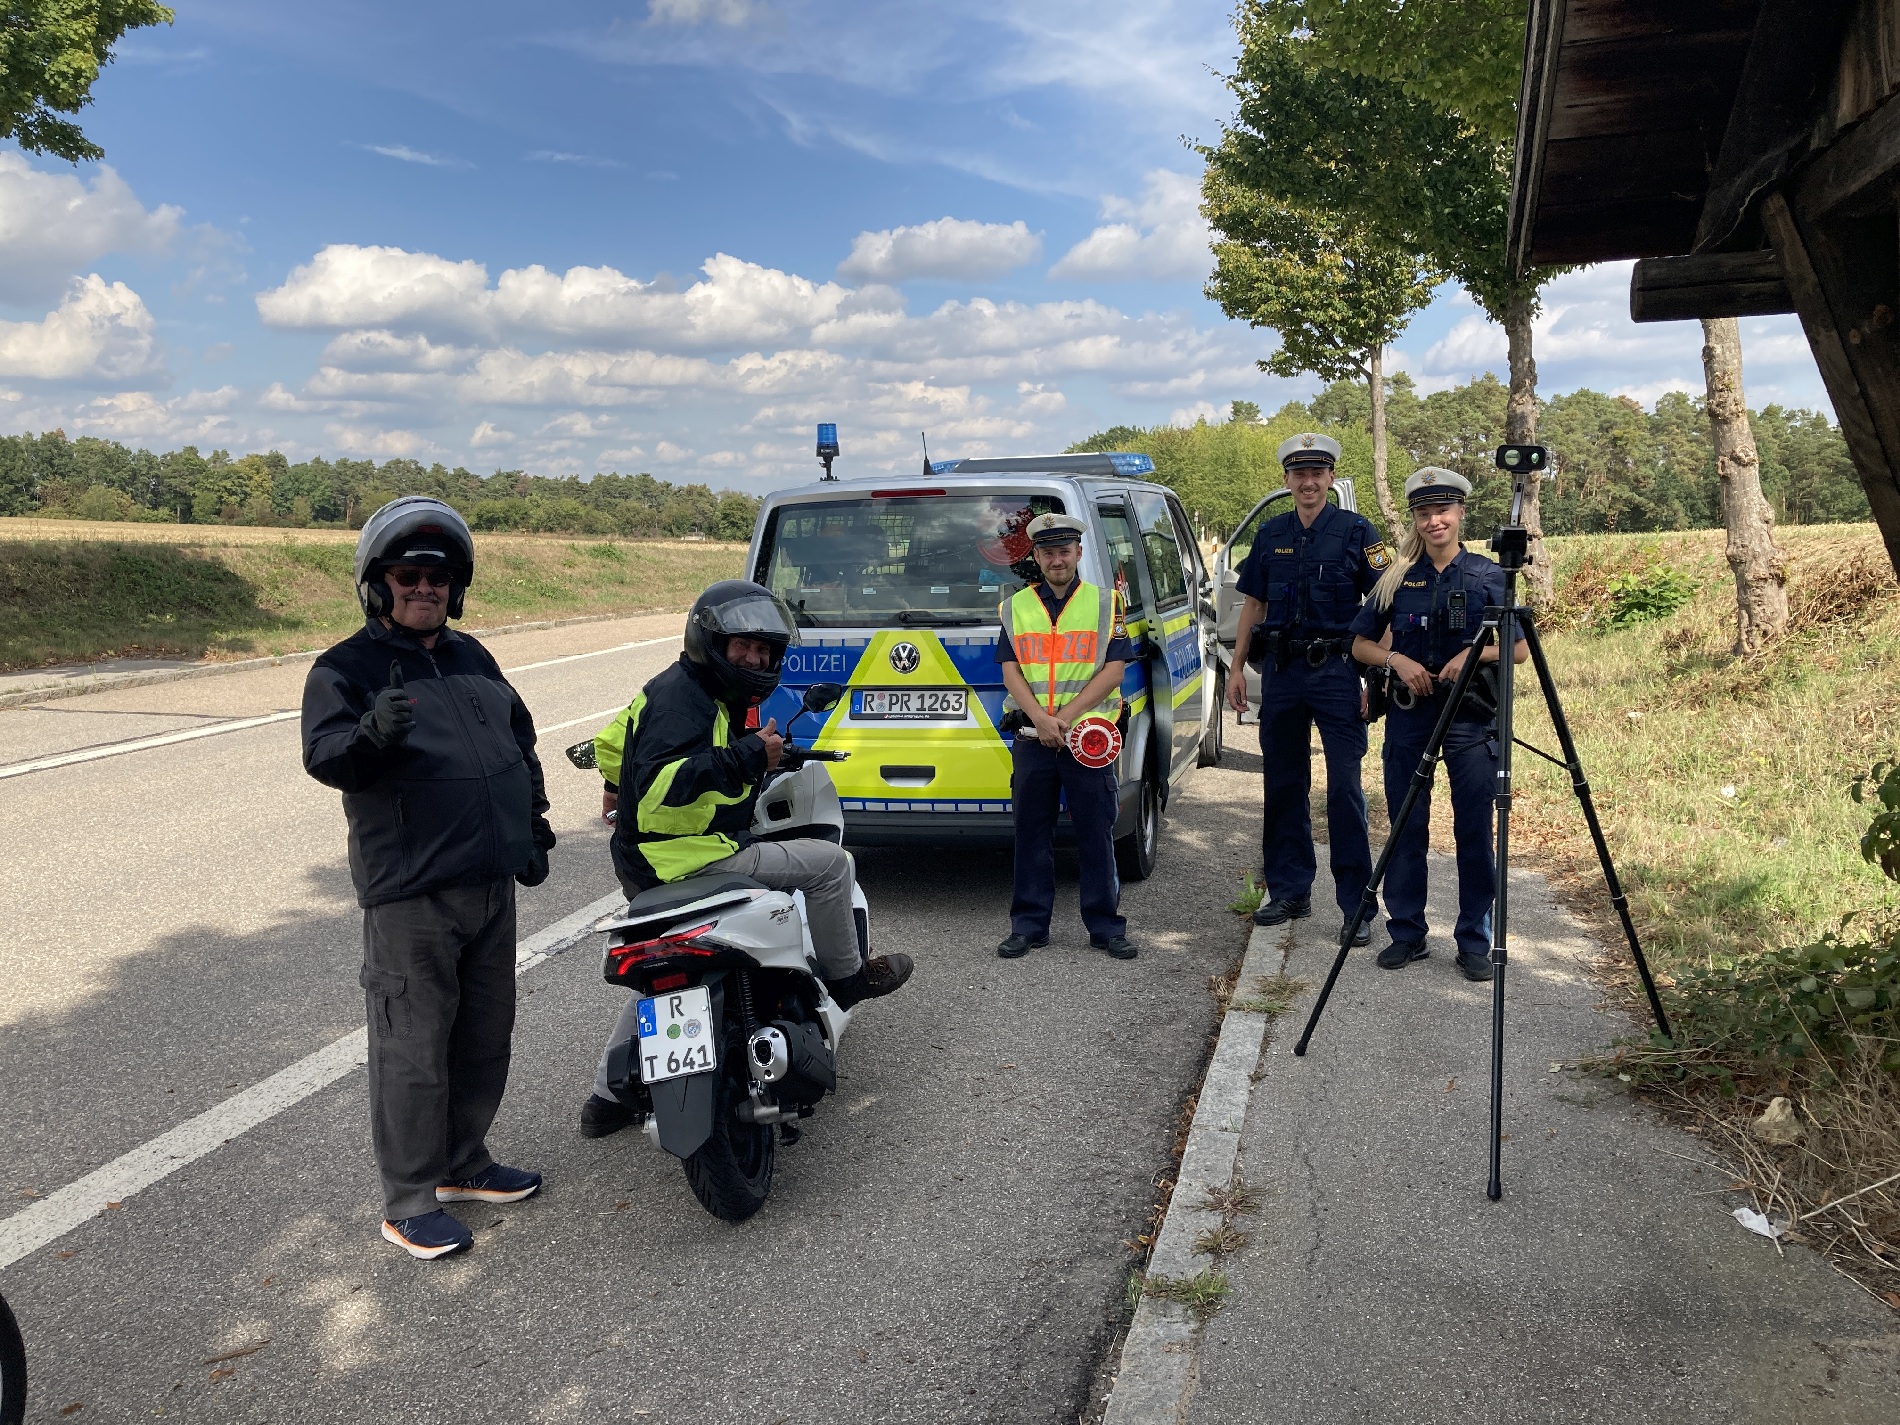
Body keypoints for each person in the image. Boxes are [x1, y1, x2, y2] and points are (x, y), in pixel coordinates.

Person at [302, 497, 556, 1260]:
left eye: (440, 579)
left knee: (484, 1032)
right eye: (409, 575)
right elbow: (327, 756)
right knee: (413, 1047)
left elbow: (520, 739)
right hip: (412, 890)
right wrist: (370, 736)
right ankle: (409, 1198)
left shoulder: (474, 655)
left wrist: (534, 820)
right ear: (378, 584)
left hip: (488, 881)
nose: (426, 588)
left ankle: (464, 1162)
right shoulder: (345, 668)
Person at [580, 580, 914, 1138]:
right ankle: (849, 980)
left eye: (765, 649)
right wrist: (749, 755)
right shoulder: (685, 700)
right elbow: (664, 784)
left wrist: (616, 786)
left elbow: (615, 745)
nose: (755, 658)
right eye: (743, 646)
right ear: (709, 641)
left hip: (644, 864)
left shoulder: (675, 689)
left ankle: (604, 1098)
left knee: (664, 966)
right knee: (832, 866)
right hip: (694, 856)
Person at [1349, 467, 1529, 981]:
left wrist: (1473, 653)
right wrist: (1395, 662)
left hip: (1470, 718)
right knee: (1407, 825)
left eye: (1442, 510)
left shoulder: (1490, 576)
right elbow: (1358, 642)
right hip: (1410, 715)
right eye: (1424, 513)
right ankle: (1406, 933)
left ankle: (1475, 938)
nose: (1434, 521)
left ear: (1460, 514)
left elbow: (1517, 648)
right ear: (1415, 518)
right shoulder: (1396, 577)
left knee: (1475, 829)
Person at [1228, 433, 1389, 941]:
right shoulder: (1270, 533)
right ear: (1287, 480)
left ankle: (1356, 908)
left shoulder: (1360, 532)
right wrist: (1235, 669)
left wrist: (1374, 674)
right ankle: (1290, 891)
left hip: (1340, 673)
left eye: (1318, 473)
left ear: (1331, 478)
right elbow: (1253, 605)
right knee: (1282, 785)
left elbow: (1386, 606)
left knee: (1344, 789)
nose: (1309, 482)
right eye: (1299, 474)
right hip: (1282, 673)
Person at [996, 513, 1139, 961]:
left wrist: (1063, 718)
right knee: (1030, 833)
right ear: (1035, 557)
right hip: (1032, 735)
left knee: (1096, 831)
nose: (1057, 560)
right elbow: (1010, 669)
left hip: (1087, 737)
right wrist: (1040, 718)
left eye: (1065, 551)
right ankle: (1029, 925)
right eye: (1048, 552)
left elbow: (1115, 671)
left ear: (1078, 553)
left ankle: (1106, 926)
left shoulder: (1106, 603)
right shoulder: (1015, 606)